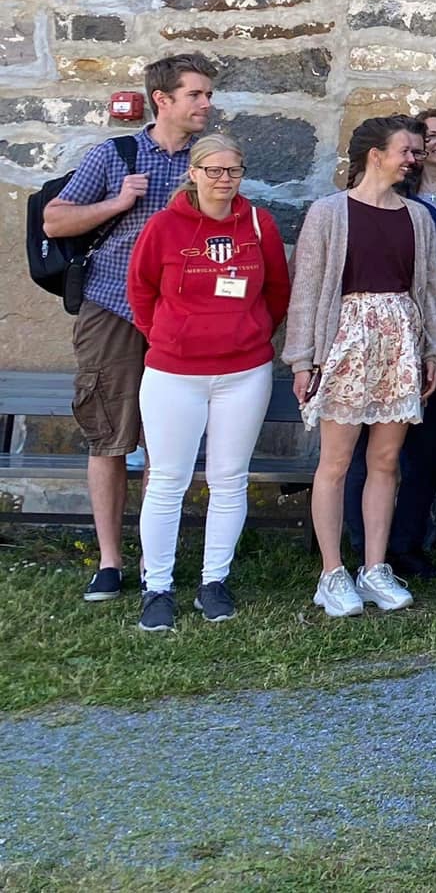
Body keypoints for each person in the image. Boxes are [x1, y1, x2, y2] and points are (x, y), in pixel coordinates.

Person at [44, 52, 214, 602]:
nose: (206, 104)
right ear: (163, 100)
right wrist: (118, 201)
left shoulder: (210, 159)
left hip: (178, 319)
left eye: (208, 95)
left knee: (166, 445)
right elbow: (55, 218)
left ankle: (153, 562)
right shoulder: (115, 154)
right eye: (196, 95)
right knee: (110, 436)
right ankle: (110, 561)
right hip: (114, 311)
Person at [284, 116, 436, 618]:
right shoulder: (329, 212)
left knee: (385, 462)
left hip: (400, 341)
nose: (413, 159)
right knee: (335, 464)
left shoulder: (418, 217)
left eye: (415, 152)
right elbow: (308, 290)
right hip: (344, 344)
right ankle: (331, 573)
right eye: (405, 150)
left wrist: (432, 350)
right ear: (374, 154)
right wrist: (302, 359)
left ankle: (374, 568)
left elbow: (427, 291)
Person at [125, 134, 290, 630]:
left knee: (228, 479)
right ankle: (158, 588)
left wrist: (251, 332)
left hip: (244, 372)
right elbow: (141, 289)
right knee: (168, 482)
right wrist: (170, 336)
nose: (224, 180)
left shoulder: (259, 224)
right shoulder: (164, 226)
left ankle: (213, 582)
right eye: (213, 170)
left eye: (233, 171)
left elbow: (277, 289)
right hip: (175, 374)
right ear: (193, 173)